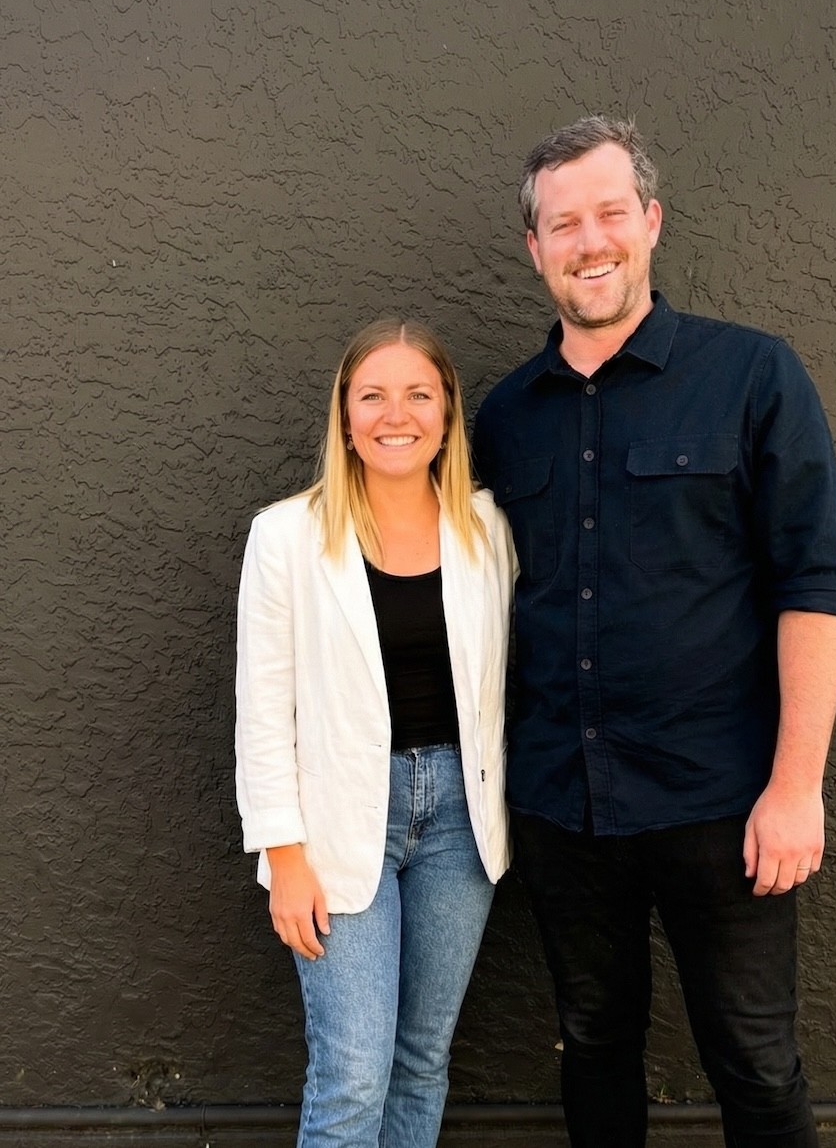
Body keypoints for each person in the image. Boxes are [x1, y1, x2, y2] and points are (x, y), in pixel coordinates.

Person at [472, 116, 836, 1148]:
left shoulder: (752, 377)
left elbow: (814, 587)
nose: (587, 241)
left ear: (649, 222)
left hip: (722, 806)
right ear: (535, 249)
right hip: (562, 807)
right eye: (562, 224)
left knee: (755, 1065)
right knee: (592, 1048)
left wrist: (795, 786)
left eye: (607, 214)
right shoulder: (504, 418)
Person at [235, 319, 515, 1148]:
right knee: (355, 1069)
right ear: (346, 415)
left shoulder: (487, 530)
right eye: (374, 395)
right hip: (338, 822)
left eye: (419, 394)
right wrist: (283, 854)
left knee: (423, 1058)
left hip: (462, 821)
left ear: (447, 411)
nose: (398, 414)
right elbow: (262, 706)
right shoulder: (287, 536)